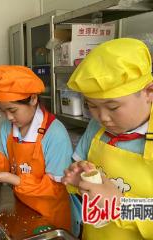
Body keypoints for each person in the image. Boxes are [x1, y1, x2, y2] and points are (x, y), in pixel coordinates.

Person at [0, 65, 81, 235]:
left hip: (51, 215)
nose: (8, 117)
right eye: (2, 110)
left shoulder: (54, 133)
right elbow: (4, 159)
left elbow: (56, 187)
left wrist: (14, 179)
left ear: (33, 99)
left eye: (12, 110)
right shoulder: (8, 127)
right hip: (23, 208)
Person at [62, 38, 153, 239]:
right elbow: (84, 184)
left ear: (149, 92)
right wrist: (79, 182)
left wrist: (121, 206)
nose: (102, 117)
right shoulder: (97, 128)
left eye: (113, 107)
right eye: (92, 106)